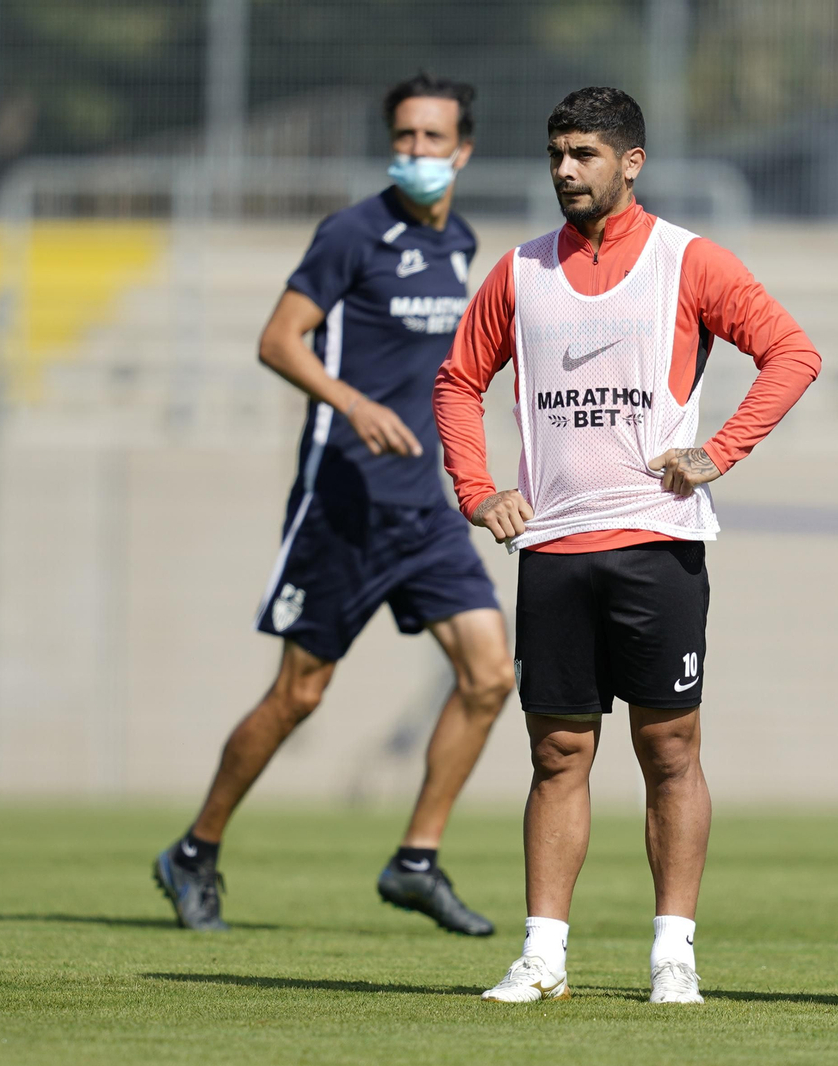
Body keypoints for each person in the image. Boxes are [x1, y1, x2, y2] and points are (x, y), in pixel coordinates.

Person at [433, 86, 821, 1004]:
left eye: (585, 155)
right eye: (557, 153)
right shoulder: (520, 271)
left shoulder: (689, 261)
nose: (566, 170)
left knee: (671, 752)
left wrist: (718, 451)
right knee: (558, 755)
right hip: (556, 551)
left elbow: (792, 353)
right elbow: (457, 381)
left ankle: (672, 957)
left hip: (658, 546)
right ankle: (543, 957)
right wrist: (478, 490)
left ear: (630, 162)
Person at [152, 73, 515, 937]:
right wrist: (351, 403)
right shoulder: (353, 232)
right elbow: (278, 339)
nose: (417, 152)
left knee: (491, 675)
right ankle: (195, 852)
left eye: (434, 139)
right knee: (299, 695)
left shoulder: (461, 241)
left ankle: (415, 861)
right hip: (342, 500)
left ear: (463, 150)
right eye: (405, 137)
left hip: (421, 508)